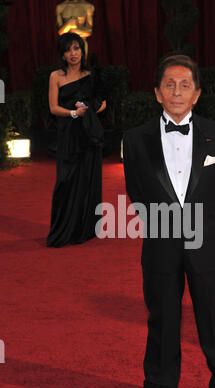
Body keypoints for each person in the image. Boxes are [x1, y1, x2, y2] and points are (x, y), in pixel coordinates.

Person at [123, 55, 215, 388]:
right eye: (170, 85)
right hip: (160, 242)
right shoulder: (135, 139)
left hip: (206, 243)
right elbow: (137, 194)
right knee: (162, 320)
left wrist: (200, 226)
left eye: (185, 85)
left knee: (214, 319)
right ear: (158, 93)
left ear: (197, 94)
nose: (177, 92)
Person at [47, 32, 106, 248]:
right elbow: (53, 108)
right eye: (69, 49)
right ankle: (62, 230)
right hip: (67, 135)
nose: (74, 54)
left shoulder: (91, 75)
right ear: (62, 54)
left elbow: (103, 104)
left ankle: (84, 228)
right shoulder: (56, 76)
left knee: (87, 180)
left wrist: (90, 110)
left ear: (83, 50)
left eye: (77, 48)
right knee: (65, 180)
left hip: (88, 135)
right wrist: (74, 113)